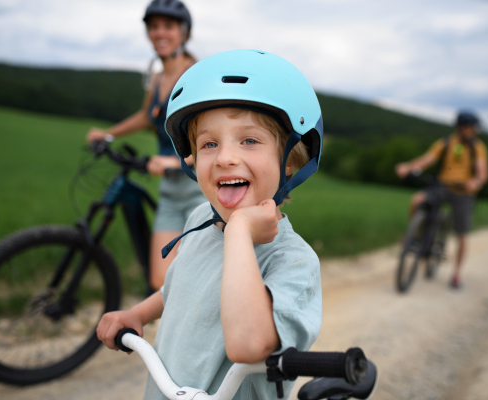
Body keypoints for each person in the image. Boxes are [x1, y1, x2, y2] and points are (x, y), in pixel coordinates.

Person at [96, 49, 324, 400]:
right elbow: (180, 287)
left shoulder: (294, 262)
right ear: (191, 159)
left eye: (249, 140)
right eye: (209, 144)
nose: (225, 158)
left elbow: (249, 344)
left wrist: (239, 232)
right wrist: (138, 313)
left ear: (290, 159)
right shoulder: (201, 218)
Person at [86, 0, 205, 292]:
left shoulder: (196, 75)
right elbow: (147, 115)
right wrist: (108, 134)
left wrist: (174, 161)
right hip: (169, 192)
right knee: (160, 282)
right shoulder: (157, 77)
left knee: (204, 278)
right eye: (153, 27)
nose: (159, 33)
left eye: (168, 26)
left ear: (184, 33)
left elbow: (213, 136)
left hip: (200, 190)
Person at [395, 111, 488, 289]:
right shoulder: (446, 143)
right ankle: (415, 237)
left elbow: (482, 171)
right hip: (442, 186)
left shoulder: (478, 147)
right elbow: (426, 159)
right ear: (461, 128)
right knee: (417, 199)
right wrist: (408, 166)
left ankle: (456, 274)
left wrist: (475, 181)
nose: (473, 131)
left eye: (473, 128)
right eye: (470, 128)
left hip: (463, 192)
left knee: (462, 234)